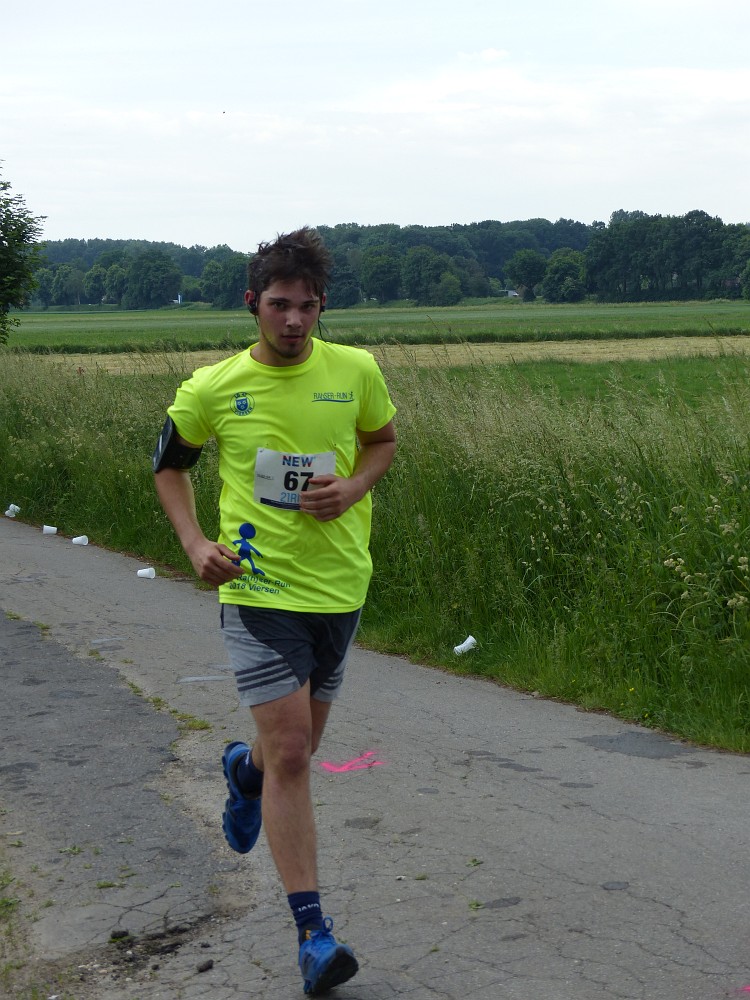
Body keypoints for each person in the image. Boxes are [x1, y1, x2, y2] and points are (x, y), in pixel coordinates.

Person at [153, 227, 396, 995]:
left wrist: (353, 487)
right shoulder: (212, 387)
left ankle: (242, 771)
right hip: (256, 590)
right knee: (292, 750)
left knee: (294, 749)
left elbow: (381, 442)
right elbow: (169, 466)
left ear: (323, 308)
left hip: (338, 588)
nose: (293, 321)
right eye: (280, 305)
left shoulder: (355, 370)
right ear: (252, 303)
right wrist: (195, 542)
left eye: (308, 307)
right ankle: (314, 937)